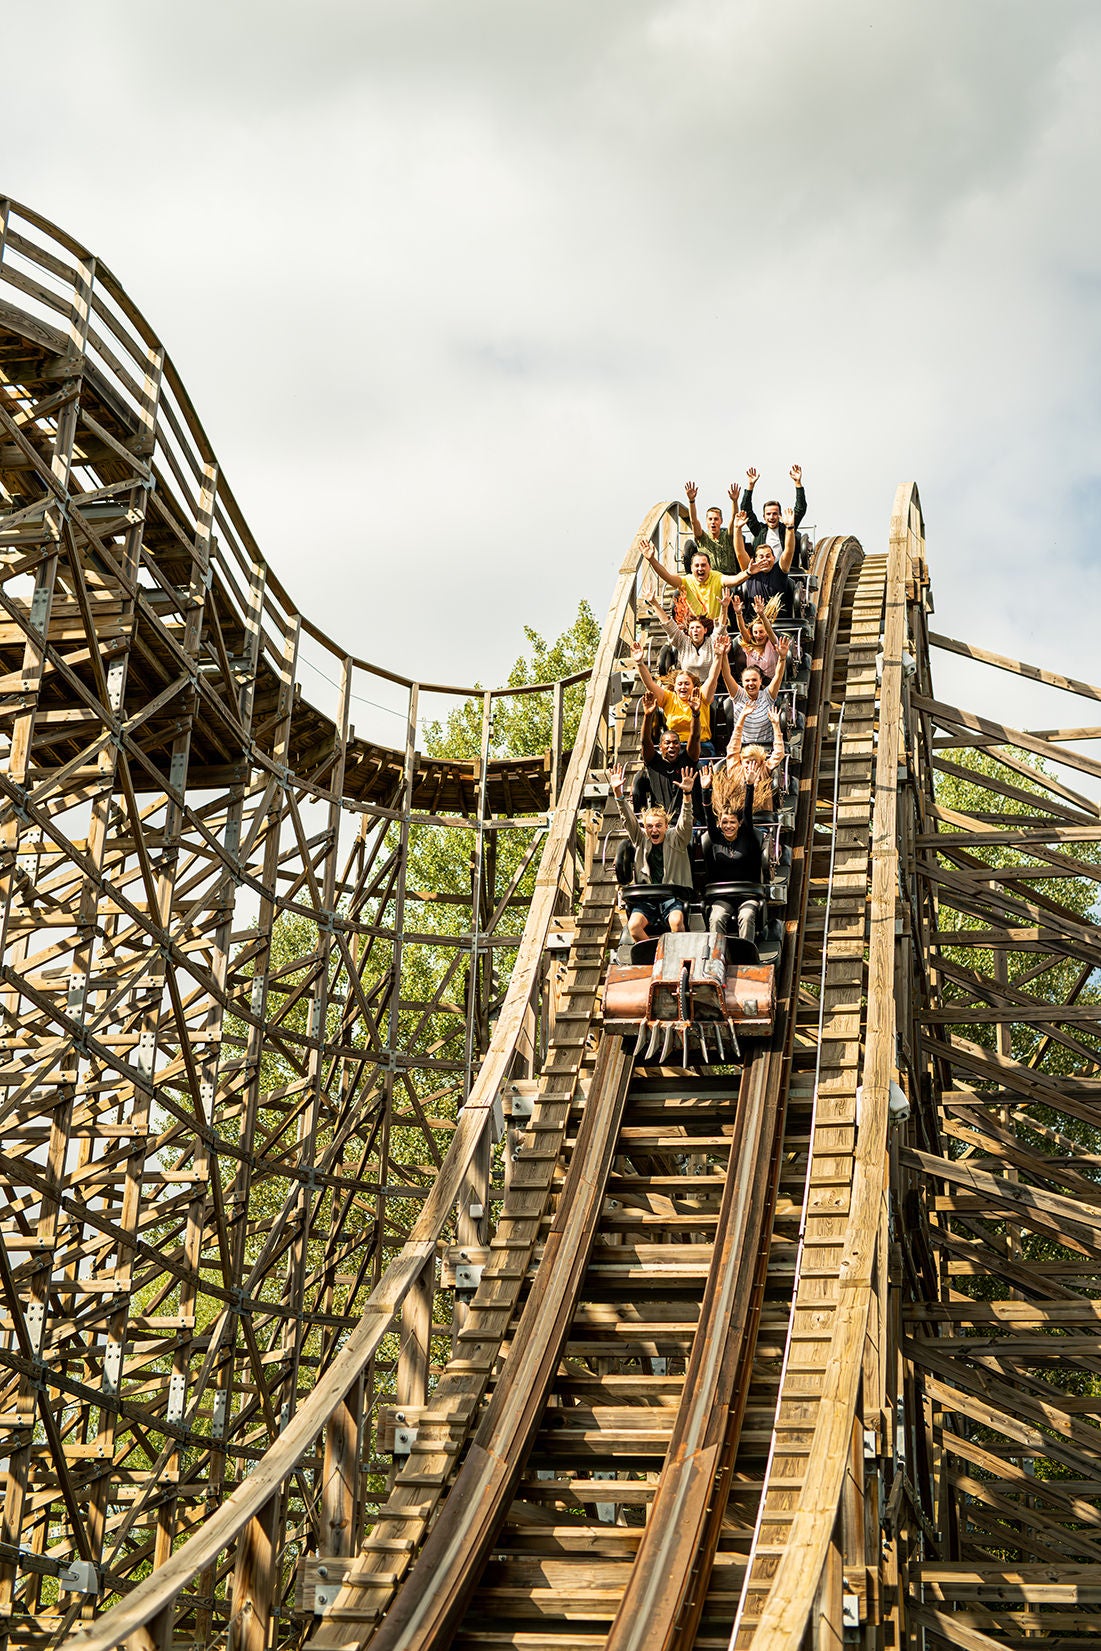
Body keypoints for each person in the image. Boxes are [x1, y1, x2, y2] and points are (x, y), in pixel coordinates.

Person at [609, 762, 696, 942]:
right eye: (650, 826)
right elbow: (628, 820)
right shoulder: (641, 839)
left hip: (672, 896)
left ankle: (677, 953)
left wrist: (687, 795)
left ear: (666, 826)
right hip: (648, 898)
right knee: (633, 926)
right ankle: (653, 952)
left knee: (676, 921)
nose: (654, 830)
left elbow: (686, 822)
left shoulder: (676, 839)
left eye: (658, 826)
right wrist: (618, 794)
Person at [698, 764, 765, 945]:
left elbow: (748, 813)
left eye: (732, 822)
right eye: (725, 822)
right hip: (723, 896)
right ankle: (716, 954)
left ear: (739, 823)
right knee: (716, 917)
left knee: (747, 915)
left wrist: (749, 785)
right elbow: (707, 817)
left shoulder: (748, 837)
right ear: (720, 823)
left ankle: (746, 955)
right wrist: (706, 790)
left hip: (747, 895)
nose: (728, 826)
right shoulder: (715, 838)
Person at [631, 636, 727, 757]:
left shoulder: (701, 696)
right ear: (674, 687)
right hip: (675, 747)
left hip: (701, 746)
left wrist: (718, 656)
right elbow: (649, 683)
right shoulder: (668, 698)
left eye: (687, 684)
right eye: (680, 684)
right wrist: (640, 663)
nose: (683, 687)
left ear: (693, 686)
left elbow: (713, 678)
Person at [646, 596, 747, 684]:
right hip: (687, 685)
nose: (695, 631)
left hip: (710, 686)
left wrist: (724, 607)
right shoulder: (683, 642)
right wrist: (654, 603)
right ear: (688, 632)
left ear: (705, 630)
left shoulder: (712, 642)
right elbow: (668, 625)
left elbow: (720, 627)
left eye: (698, 628)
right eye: (692, 628)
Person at [639, 538, 742, 623]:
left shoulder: (717, 577)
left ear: (709, 567)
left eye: (703, 565)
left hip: (715, 629)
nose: (700, 568)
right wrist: (652, 559)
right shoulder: (686, 581)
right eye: (697, 566)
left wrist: (748, 572)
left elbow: (736, 580)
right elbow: (667, 577)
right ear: (691, 568)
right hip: (695, 629)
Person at [632, 691, 700, 818]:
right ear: (660, 746)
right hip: (660, 823)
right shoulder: (654, 762)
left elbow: (695, 737)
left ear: (680, 746)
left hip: (685, 822)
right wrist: (648, 715)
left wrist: (695, 714)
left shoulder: (687, 760)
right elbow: (645, 741)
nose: (671, 746)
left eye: (675, 743)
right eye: (667, 743)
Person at [725, 637, 790, 750]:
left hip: (766, 748)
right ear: (742, 682)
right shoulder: (738, 695)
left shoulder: (767, 695)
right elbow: (726, 675)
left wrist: (782, 657)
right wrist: (722, 655)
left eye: (754, 680)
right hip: (744, 749)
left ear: (760, 681)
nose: (751, 683)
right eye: (747, 680)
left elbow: (778, 675)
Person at [732, 507, 798, 618]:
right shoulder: (751, 571)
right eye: (761, 557)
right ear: (756, 559)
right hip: (755, 622)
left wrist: (790, 528)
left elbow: (789, 550)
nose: (765, 559)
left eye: (768, 556)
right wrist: (737, 529)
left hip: (778, 621)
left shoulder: (781, 569)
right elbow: (739, 552)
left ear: (774, 558)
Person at [742, 464, 807, 557]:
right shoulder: (759, 530)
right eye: (768, 514)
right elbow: (745, 510)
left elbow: (800, 508)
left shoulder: (787, 529)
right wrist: (750, 486)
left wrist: (798, 483)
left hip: (784, 569)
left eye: (774, 514)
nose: (771, 517)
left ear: (780, 515)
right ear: (764, 517)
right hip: (762, 569)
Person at [684, 480, 741, 574]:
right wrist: (691, 501)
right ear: (706, 521)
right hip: (709, 578)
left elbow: (735, 519)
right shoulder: (702, 538)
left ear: (721, 521)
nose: (713, 522)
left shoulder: (727, 536)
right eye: (710, 519)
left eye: (716, 519)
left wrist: (735, 501)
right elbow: (693, 521)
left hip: (728, 577)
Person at [732, 593, 780, 680]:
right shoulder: (750, 646)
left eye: (761, 632)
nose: (758, 635)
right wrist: (738, 613)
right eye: (755, 632)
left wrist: (761, 614)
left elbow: (769, 630)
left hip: (770, 684)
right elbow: (742, 630)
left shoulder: (772, 644)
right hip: (753, 683)